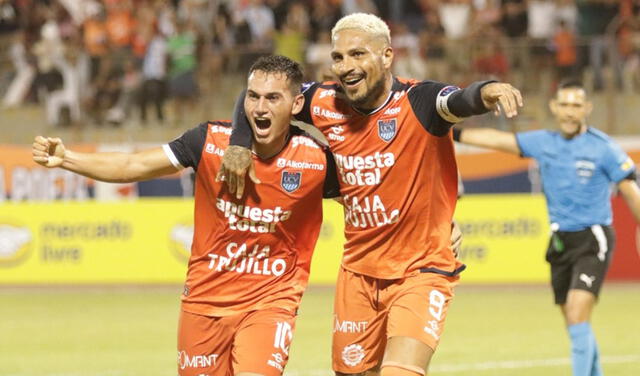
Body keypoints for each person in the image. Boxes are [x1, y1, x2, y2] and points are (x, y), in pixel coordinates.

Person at [218, 13, 523, 376]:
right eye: (338, 57)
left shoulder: (419, 101)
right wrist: (239, 143)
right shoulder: (323, 103)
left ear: (387, 56)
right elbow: (257, 93)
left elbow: (460, 100)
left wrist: (488, 90)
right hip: (358, 273)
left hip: (421, 270)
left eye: (358, 54)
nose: (346, 66)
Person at [32, 55, 341, 376]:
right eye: (253, 97)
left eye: (273, 98)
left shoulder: (316, 161)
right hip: (203, 305)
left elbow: (363, 194)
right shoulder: (207, 141)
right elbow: (132, 166)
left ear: (296, 104)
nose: (260, 108)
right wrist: (67, 158)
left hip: (270, 303)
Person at [454, 80, 640, 376]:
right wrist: (451, 130)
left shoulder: (602, 147)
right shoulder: (544, 142)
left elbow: (629, 187)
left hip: (593, 238)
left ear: (586, 109)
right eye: (564, 104)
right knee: (574, 322)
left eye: (576, 105)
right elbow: (498, 139)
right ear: (554, 107)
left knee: (578, 314)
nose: (569, 111)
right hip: (560, 241)